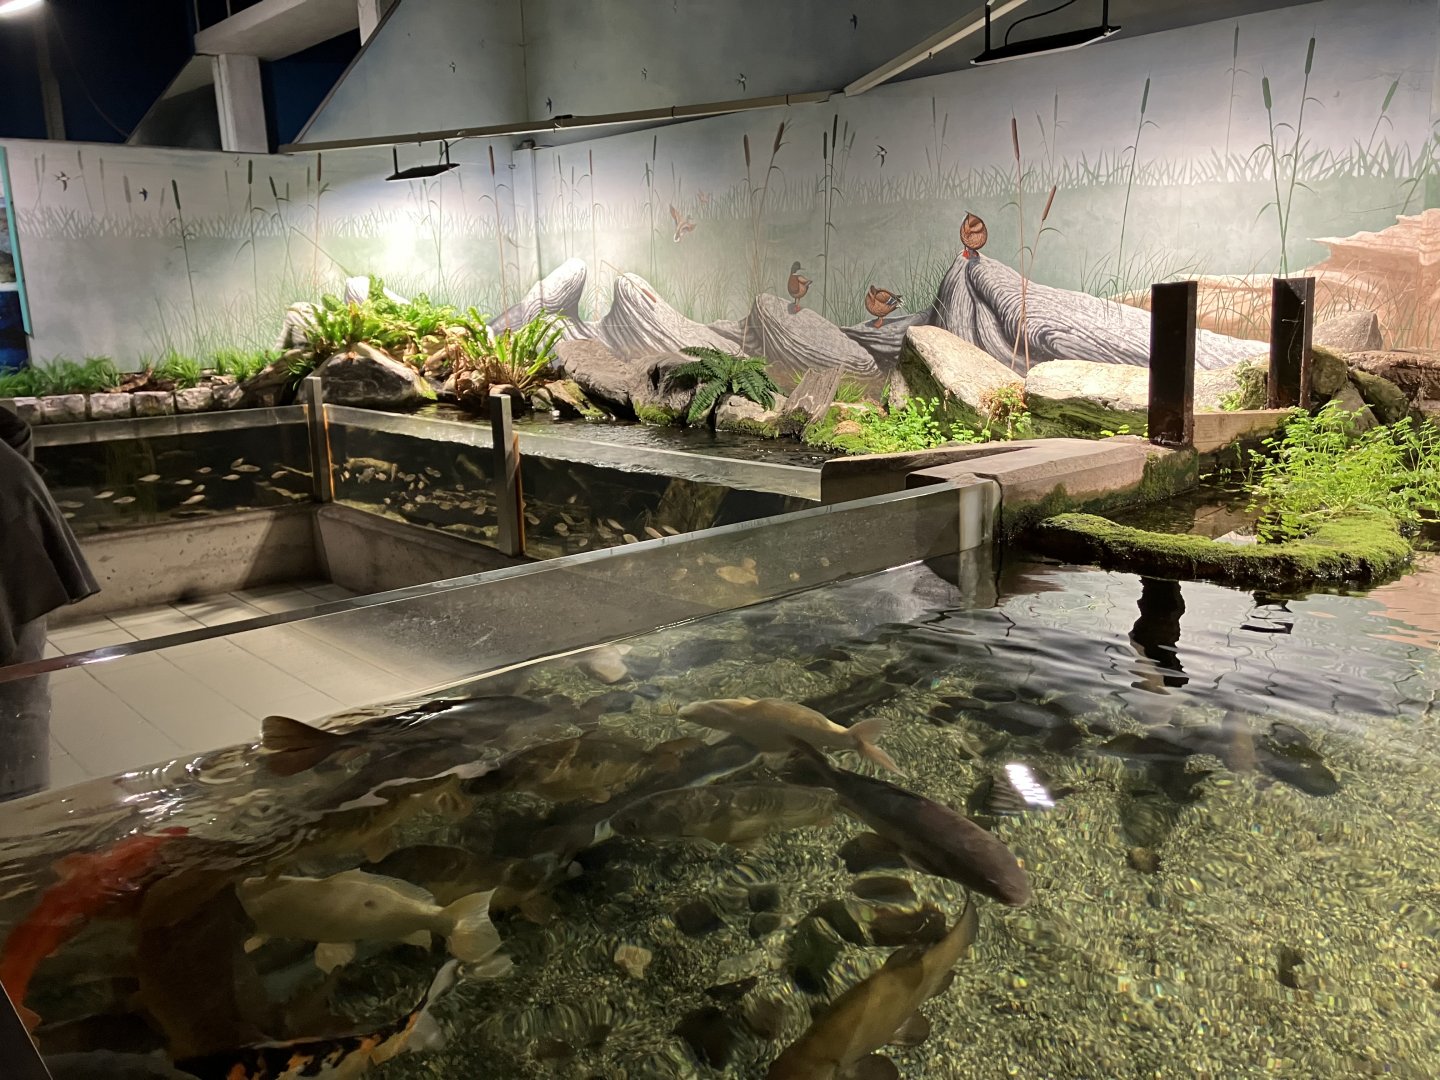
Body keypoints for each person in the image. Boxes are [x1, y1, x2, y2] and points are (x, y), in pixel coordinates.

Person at [0, 406, 99, 800]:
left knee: (15, 695)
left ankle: (21, 806)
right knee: (18, 695)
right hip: (15, 524)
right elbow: (14, 427)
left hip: (12, 532)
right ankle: (25, 802)